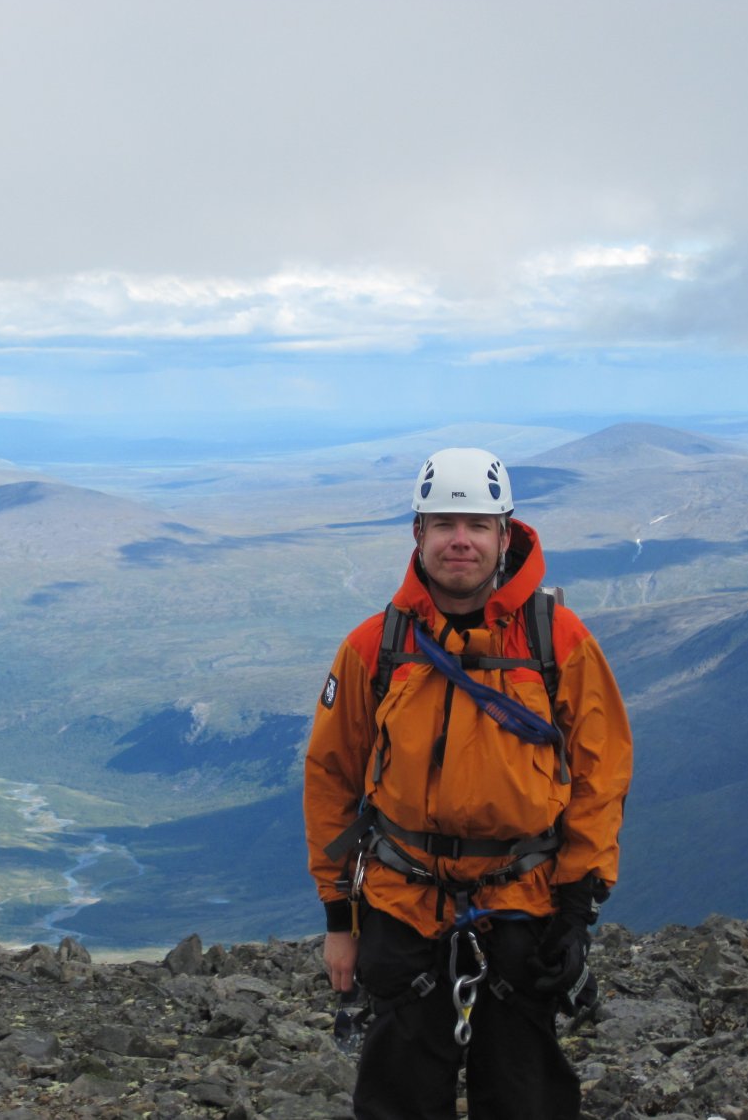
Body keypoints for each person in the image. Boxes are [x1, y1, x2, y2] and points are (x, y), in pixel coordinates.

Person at [303, 447, 633, 1120]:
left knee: (524, 1099)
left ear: (505, 536)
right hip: (400, 904)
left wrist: (576, 911)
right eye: (444, 524)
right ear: (418, 533)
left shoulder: (558, 640)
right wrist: (340, 919)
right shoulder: (374, 646)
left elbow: (601, 774)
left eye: (478, 525)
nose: (461, 540)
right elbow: (330, 779)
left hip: (525, 906)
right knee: (397, 1101)